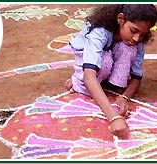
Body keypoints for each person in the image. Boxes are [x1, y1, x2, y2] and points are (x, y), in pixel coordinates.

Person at [65, 4, 157, 139]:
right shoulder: (99, 32)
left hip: (105, 57)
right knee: (105, 61)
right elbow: (89, 76)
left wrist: (125, 97)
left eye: (142, 34)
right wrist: (113, 118)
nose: (137, 38)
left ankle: (109, 83)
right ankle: (77, 82)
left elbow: (137, 77)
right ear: (120, 19)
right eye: (133, 30)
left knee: (129, 49)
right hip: (87, 59)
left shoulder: (135, 40)